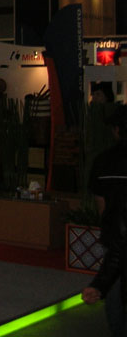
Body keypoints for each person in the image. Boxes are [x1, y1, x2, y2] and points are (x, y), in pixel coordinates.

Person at [81, 105, 127, 336]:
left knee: (115, 299)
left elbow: (102, 206)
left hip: (117, 240)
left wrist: (99, 285)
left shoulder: (103, 161)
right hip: (119, 242)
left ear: (116, 130)